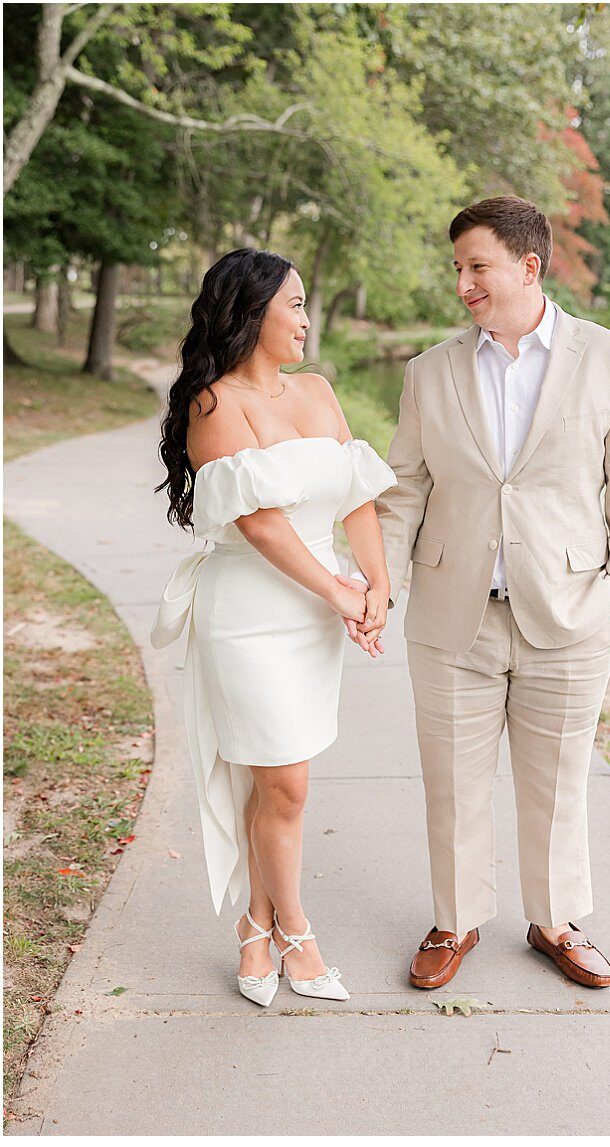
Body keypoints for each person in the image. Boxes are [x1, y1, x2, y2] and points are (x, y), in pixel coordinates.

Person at [343, 195, 610, 991]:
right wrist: (378, 585)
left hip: (571, 612)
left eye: (476, 266)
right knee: (451, 776)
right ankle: (455, 920)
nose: (463, 284)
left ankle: (554, 920)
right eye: (457, 268)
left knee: (558, 781)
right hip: (455, 616)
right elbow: (402, 494)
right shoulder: (429, 373)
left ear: (529, 265)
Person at [151, 248, 397, 1006]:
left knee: (276, 782)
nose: (305, 318)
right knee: (285, 778)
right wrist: (338, 592)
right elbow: (259, 525)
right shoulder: (215, 404)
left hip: (315, 616)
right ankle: (296, 928)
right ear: (252, 313)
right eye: (293, 304)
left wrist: (379, 583)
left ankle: (254, 923)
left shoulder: (318, 391)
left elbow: (354, 494)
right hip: (250, 619)